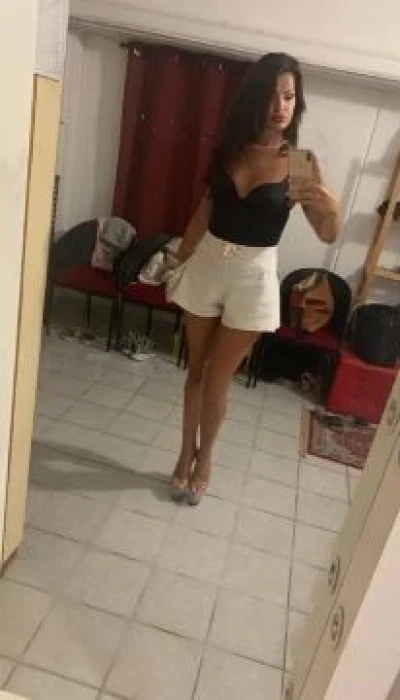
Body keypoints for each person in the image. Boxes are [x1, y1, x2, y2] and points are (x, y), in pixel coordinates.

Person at [169, 52, 341, 505]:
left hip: (253, 275)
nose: (280, 106)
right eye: (272, 95)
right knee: (195, 372)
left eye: (289, 96)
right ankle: (184, 452)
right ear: (254, 98)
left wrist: (331, 204)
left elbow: (327, 232)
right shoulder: (231, 149)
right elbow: (204, 213)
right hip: (208, 263)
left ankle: (206, 460)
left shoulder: (299, 161)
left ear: (297, 102)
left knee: (217, 378)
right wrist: (175, 263)